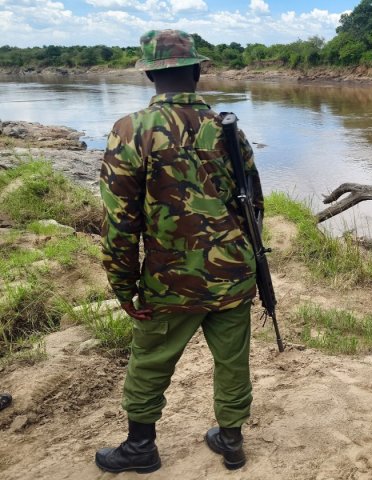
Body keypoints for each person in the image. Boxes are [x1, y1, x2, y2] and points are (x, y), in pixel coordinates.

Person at [95, 29, 263, 473]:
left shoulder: (129, 130)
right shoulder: (229, 129)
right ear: (197, 72)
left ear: (150, 73)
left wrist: (122, 285)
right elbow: (255, 205)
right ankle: (231, 441)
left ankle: (140, 447)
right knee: (232, 360)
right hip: (233, 273)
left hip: (170, 281)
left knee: (150, 361)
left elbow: (120, 223)